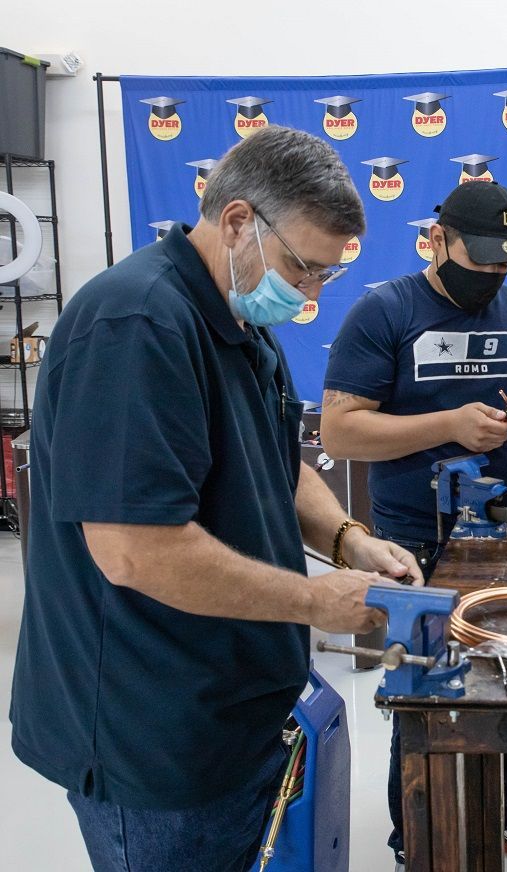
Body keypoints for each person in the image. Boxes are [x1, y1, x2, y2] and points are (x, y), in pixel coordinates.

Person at [8, 126, 423, 872]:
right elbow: (138, 549)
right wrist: (314, 602)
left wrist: (346, 539)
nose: (311, 296)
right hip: (153, 736)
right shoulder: (136, 326)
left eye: (326, 276)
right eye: (303, 268)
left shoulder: (236, 315)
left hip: (231, 714)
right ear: (237, 222)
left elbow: (276, 461)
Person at [319, 180, 507, 872]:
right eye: (480, 258)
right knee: (424, 693)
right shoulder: (385, 313)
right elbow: (341, 433)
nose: (491, 274)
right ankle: (419, 838)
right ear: (438, 241)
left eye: (504, 261)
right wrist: (449, 426)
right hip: (414, 543)